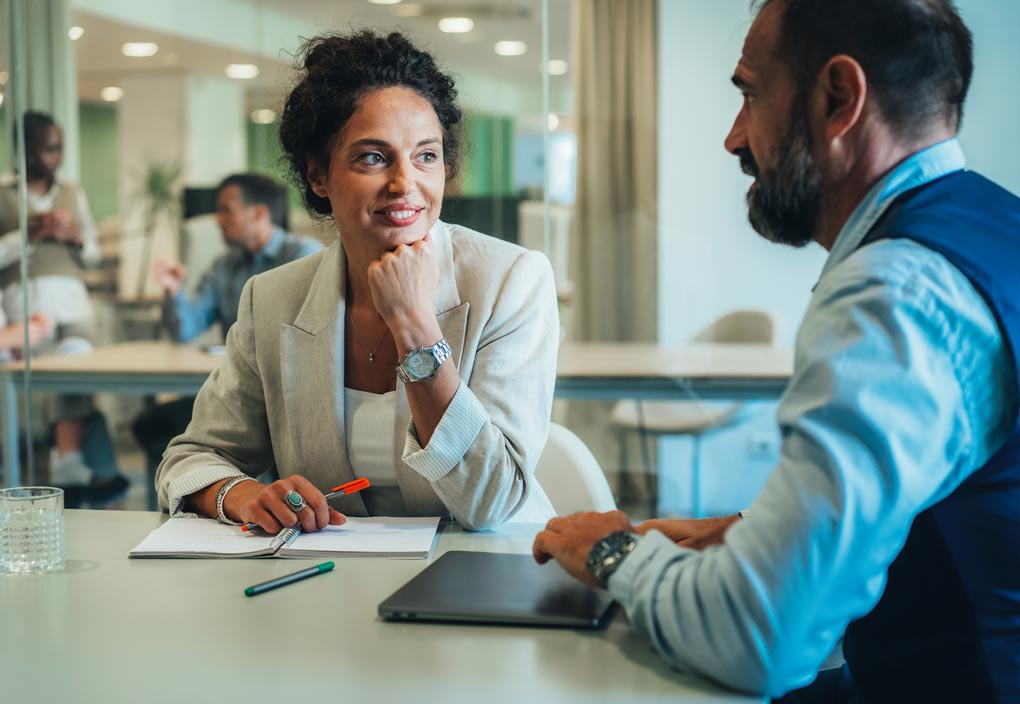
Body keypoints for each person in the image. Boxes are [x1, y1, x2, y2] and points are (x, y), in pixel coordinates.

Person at [533, 1, 1020, 701]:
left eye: (750, 94)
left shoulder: (896, 291)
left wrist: (612, 552)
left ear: (839, 99)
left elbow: (758, 641)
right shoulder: (996, 227)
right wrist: (749, 533)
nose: (734, 139)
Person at [156, 31, 558, 532]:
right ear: (319, 175)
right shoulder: (274, 297)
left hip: (486, 569)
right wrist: (244, 495)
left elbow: (491, 500)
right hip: (334, 579)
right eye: (373, 157)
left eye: (426, 156)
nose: (405, 183)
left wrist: (414, 325)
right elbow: (192, 458)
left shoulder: (510, 282)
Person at [0, 188, 126, 506]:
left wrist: (23, 339)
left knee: (70, 366)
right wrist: (8, 337)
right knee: (70, 406)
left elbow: (1, 350)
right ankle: (93, 477)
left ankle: (70, 474)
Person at [132, 173, 323, 490]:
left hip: (288, 398)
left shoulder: (305, 256)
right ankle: (190, 505)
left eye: (226, 210)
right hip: (234, 391)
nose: (218, 220)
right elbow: (186, 329)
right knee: (155, 425)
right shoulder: (224, 266)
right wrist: (174, 291)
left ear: (259, 213)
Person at [0, 110, 100, 339]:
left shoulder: (73, 192)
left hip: (75, 309)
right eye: (49, 149)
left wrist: (78, 240)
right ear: (25, 149)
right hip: (23, 311)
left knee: (83, 371)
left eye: (60, 149)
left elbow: (94, 257)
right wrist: (29, 235)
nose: (57, 158)